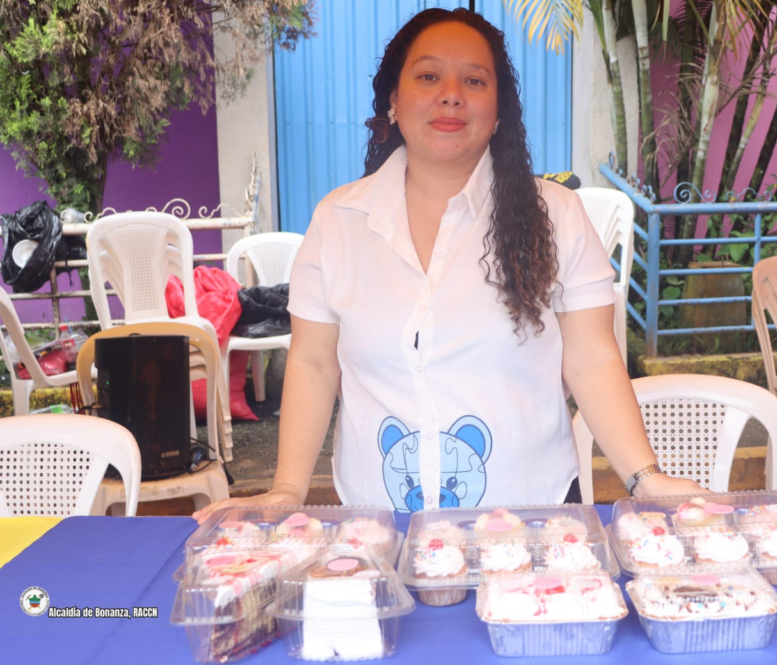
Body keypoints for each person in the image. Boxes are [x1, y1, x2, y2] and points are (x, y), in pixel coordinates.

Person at [194, 8, 703, 524]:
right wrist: (287, 488)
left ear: (499, 109)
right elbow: (313, 362)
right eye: (428, 76)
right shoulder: (338, 220)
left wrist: (644, 476)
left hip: (535, 519)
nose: (451, 95)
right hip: (380, 523)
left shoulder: (558, 216)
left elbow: (591, 359)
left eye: (474, 81)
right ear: (394, 100)